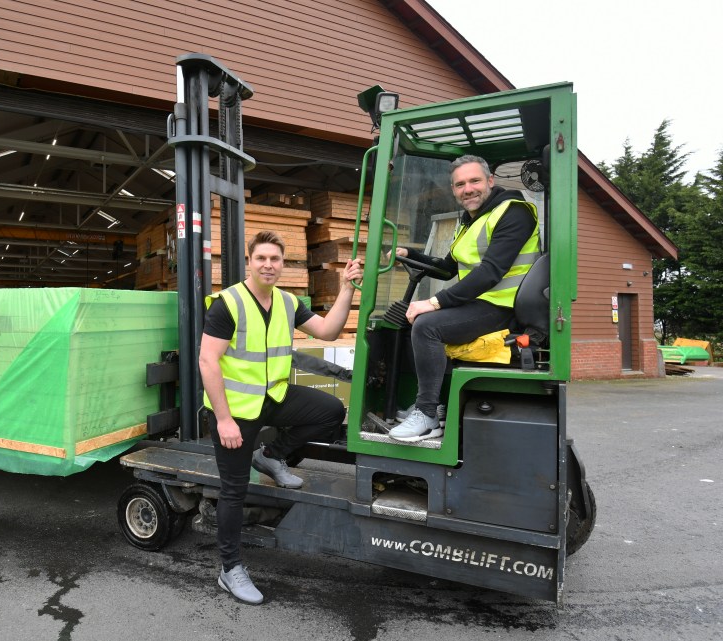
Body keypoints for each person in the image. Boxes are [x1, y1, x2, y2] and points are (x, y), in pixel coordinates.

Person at [199, 230, 362, 605]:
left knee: (330, 411)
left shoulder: (287, 302)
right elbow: (207, 361)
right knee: (234, 490)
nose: (269, 265)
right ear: (249, 263)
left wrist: (347, 289)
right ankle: (230, 569)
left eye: (276, 259)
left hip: (272, 397)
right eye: (262, 259)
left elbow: (328, 330)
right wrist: (222, 419)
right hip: (235, 410)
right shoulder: (228, 304)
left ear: (283, 265)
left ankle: (271, 456)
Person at [388, 154, 540, 443]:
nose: (467, 189)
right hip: (482, 303)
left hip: (506, 306)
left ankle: (427, 414)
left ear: (490, 181)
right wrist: (411, 254)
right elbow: (448, 269)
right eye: (460, 184)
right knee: (413, 321)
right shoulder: (470, 220)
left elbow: (490, 272)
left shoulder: (513, 211)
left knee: (427, 326)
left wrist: (434, 302)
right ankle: (434, 404)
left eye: (474, 181)